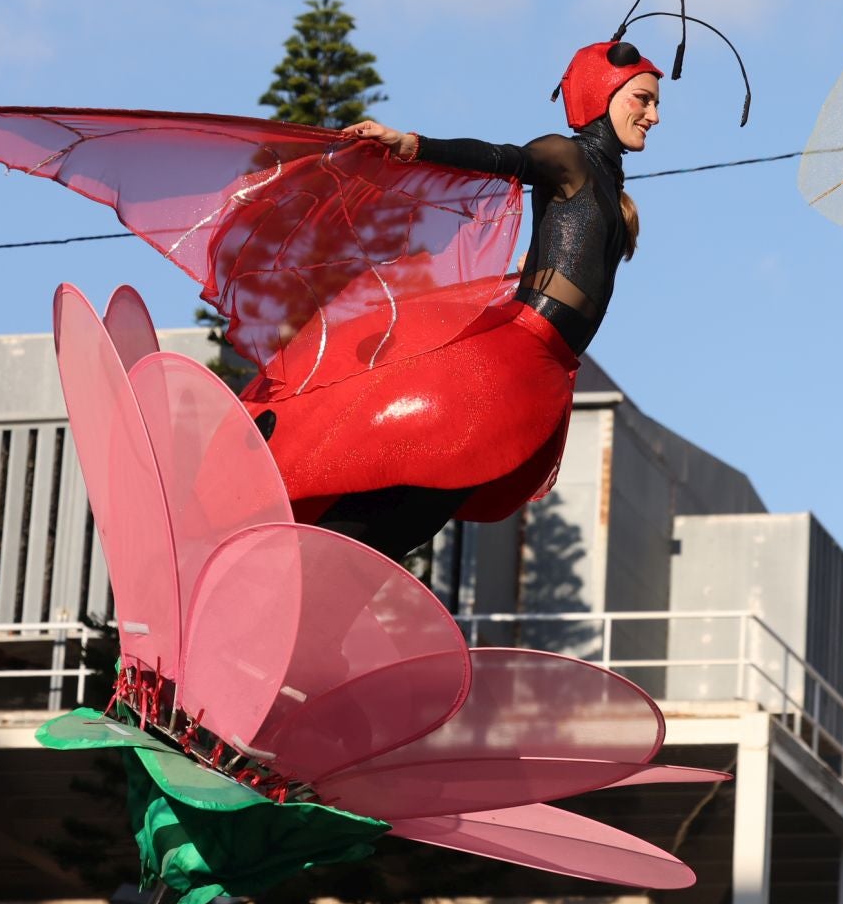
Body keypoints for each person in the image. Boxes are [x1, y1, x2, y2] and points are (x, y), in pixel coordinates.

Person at [257, 39, 667, 559]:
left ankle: (325, 573)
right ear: (602, 93)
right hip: (514, 354)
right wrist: (410, 144)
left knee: (422, 514)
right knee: (419, 492)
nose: (653, 115)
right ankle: (305, 561)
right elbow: (503, 157)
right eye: (642, 100)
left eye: (655, 103)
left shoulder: (611, 186)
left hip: (545, 365)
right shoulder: (569, 159)